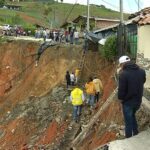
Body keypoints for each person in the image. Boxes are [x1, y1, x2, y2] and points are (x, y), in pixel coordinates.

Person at [118, 55, 146, 138]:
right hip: (138, 101)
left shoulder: (123, 74)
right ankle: (136, 132)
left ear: (123, 64)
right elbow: (143, 81)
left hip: (128, 102)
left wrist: (120, 99)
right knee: (132, 115)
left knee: (128, 122)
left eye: (120, 65)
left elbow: (121, 91)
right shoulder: (142, 71)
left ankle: (129, 138)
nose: (120, 67)